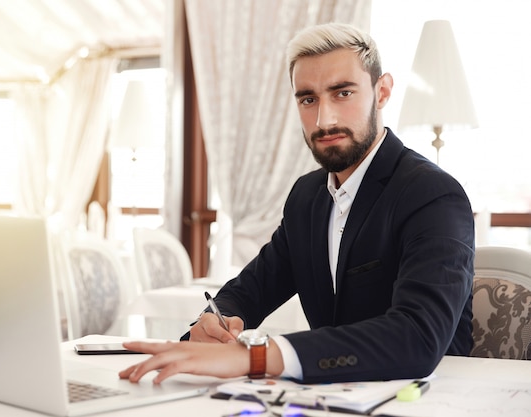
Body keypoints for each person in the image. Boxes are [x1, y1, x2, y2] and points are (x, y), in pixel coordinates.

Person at [119, 22, 474, 385]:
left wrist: (257, 357)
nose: (324, 119)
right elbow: (252, 289)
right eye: (308, 99)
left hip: (426, 396)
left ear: (381, 92)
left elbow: (417, 337)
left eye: (343, 93)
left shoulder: (433, 194)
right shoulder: (307, 196)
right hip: (330, 397)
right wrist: (215, 322)